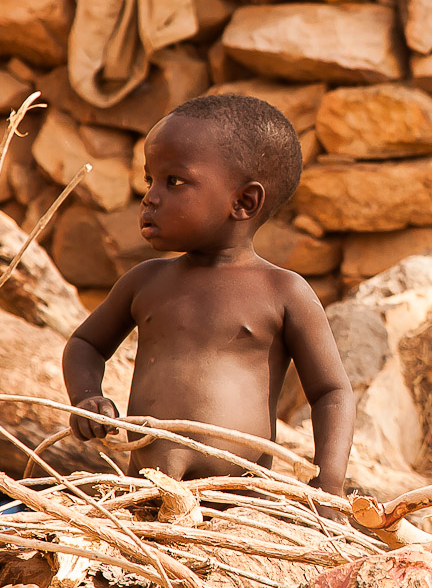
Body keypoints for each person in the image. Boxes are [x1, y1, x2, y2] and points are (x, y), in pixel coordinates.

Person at [63, 95, 354, 505]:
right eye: (150, 180)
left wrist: (329, 485)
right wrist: (86, 397)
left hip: (237, 506)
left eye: (174, 181)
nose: (150, 197)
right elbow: (85, 345)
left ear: (244, 202)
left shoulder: (282, 292)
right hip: (144, 497)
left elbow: (331, 393)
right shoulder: (145, 282)